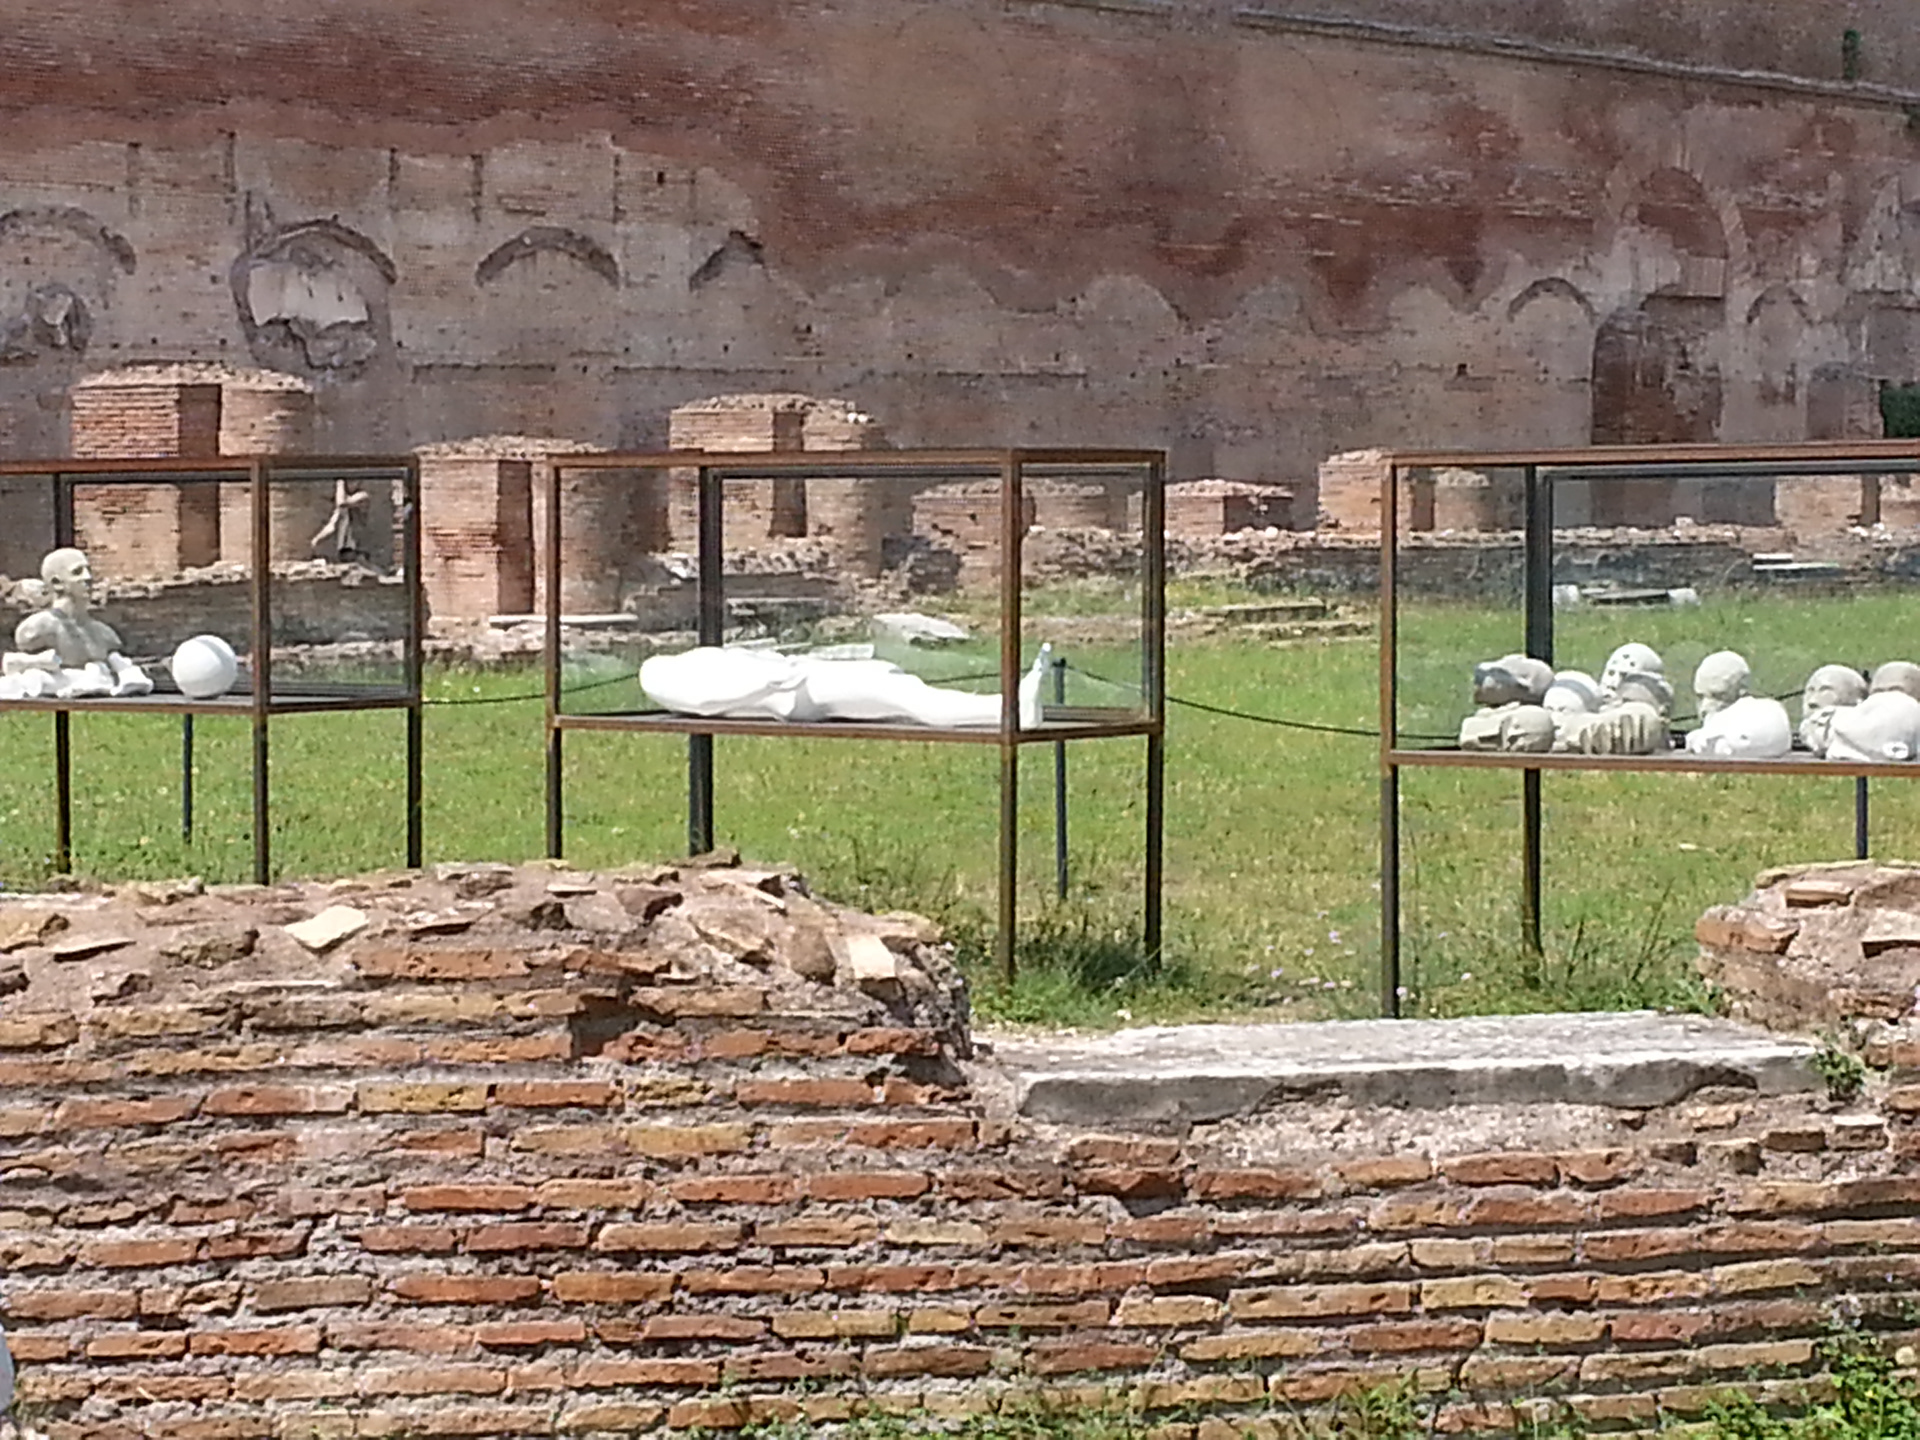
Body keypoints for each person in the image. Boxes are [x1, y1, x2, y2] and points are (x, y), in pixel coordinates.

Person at [640, 644, 1051, 728]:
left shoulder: (688, 660)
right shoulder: (660, 675)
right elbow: (707, 702)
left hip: (802, 677)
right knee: (904, 696)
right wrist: (767, 683)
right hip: (796, 690)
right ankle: (1009, 708)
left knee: (898, 687)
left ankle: (1007, 705)